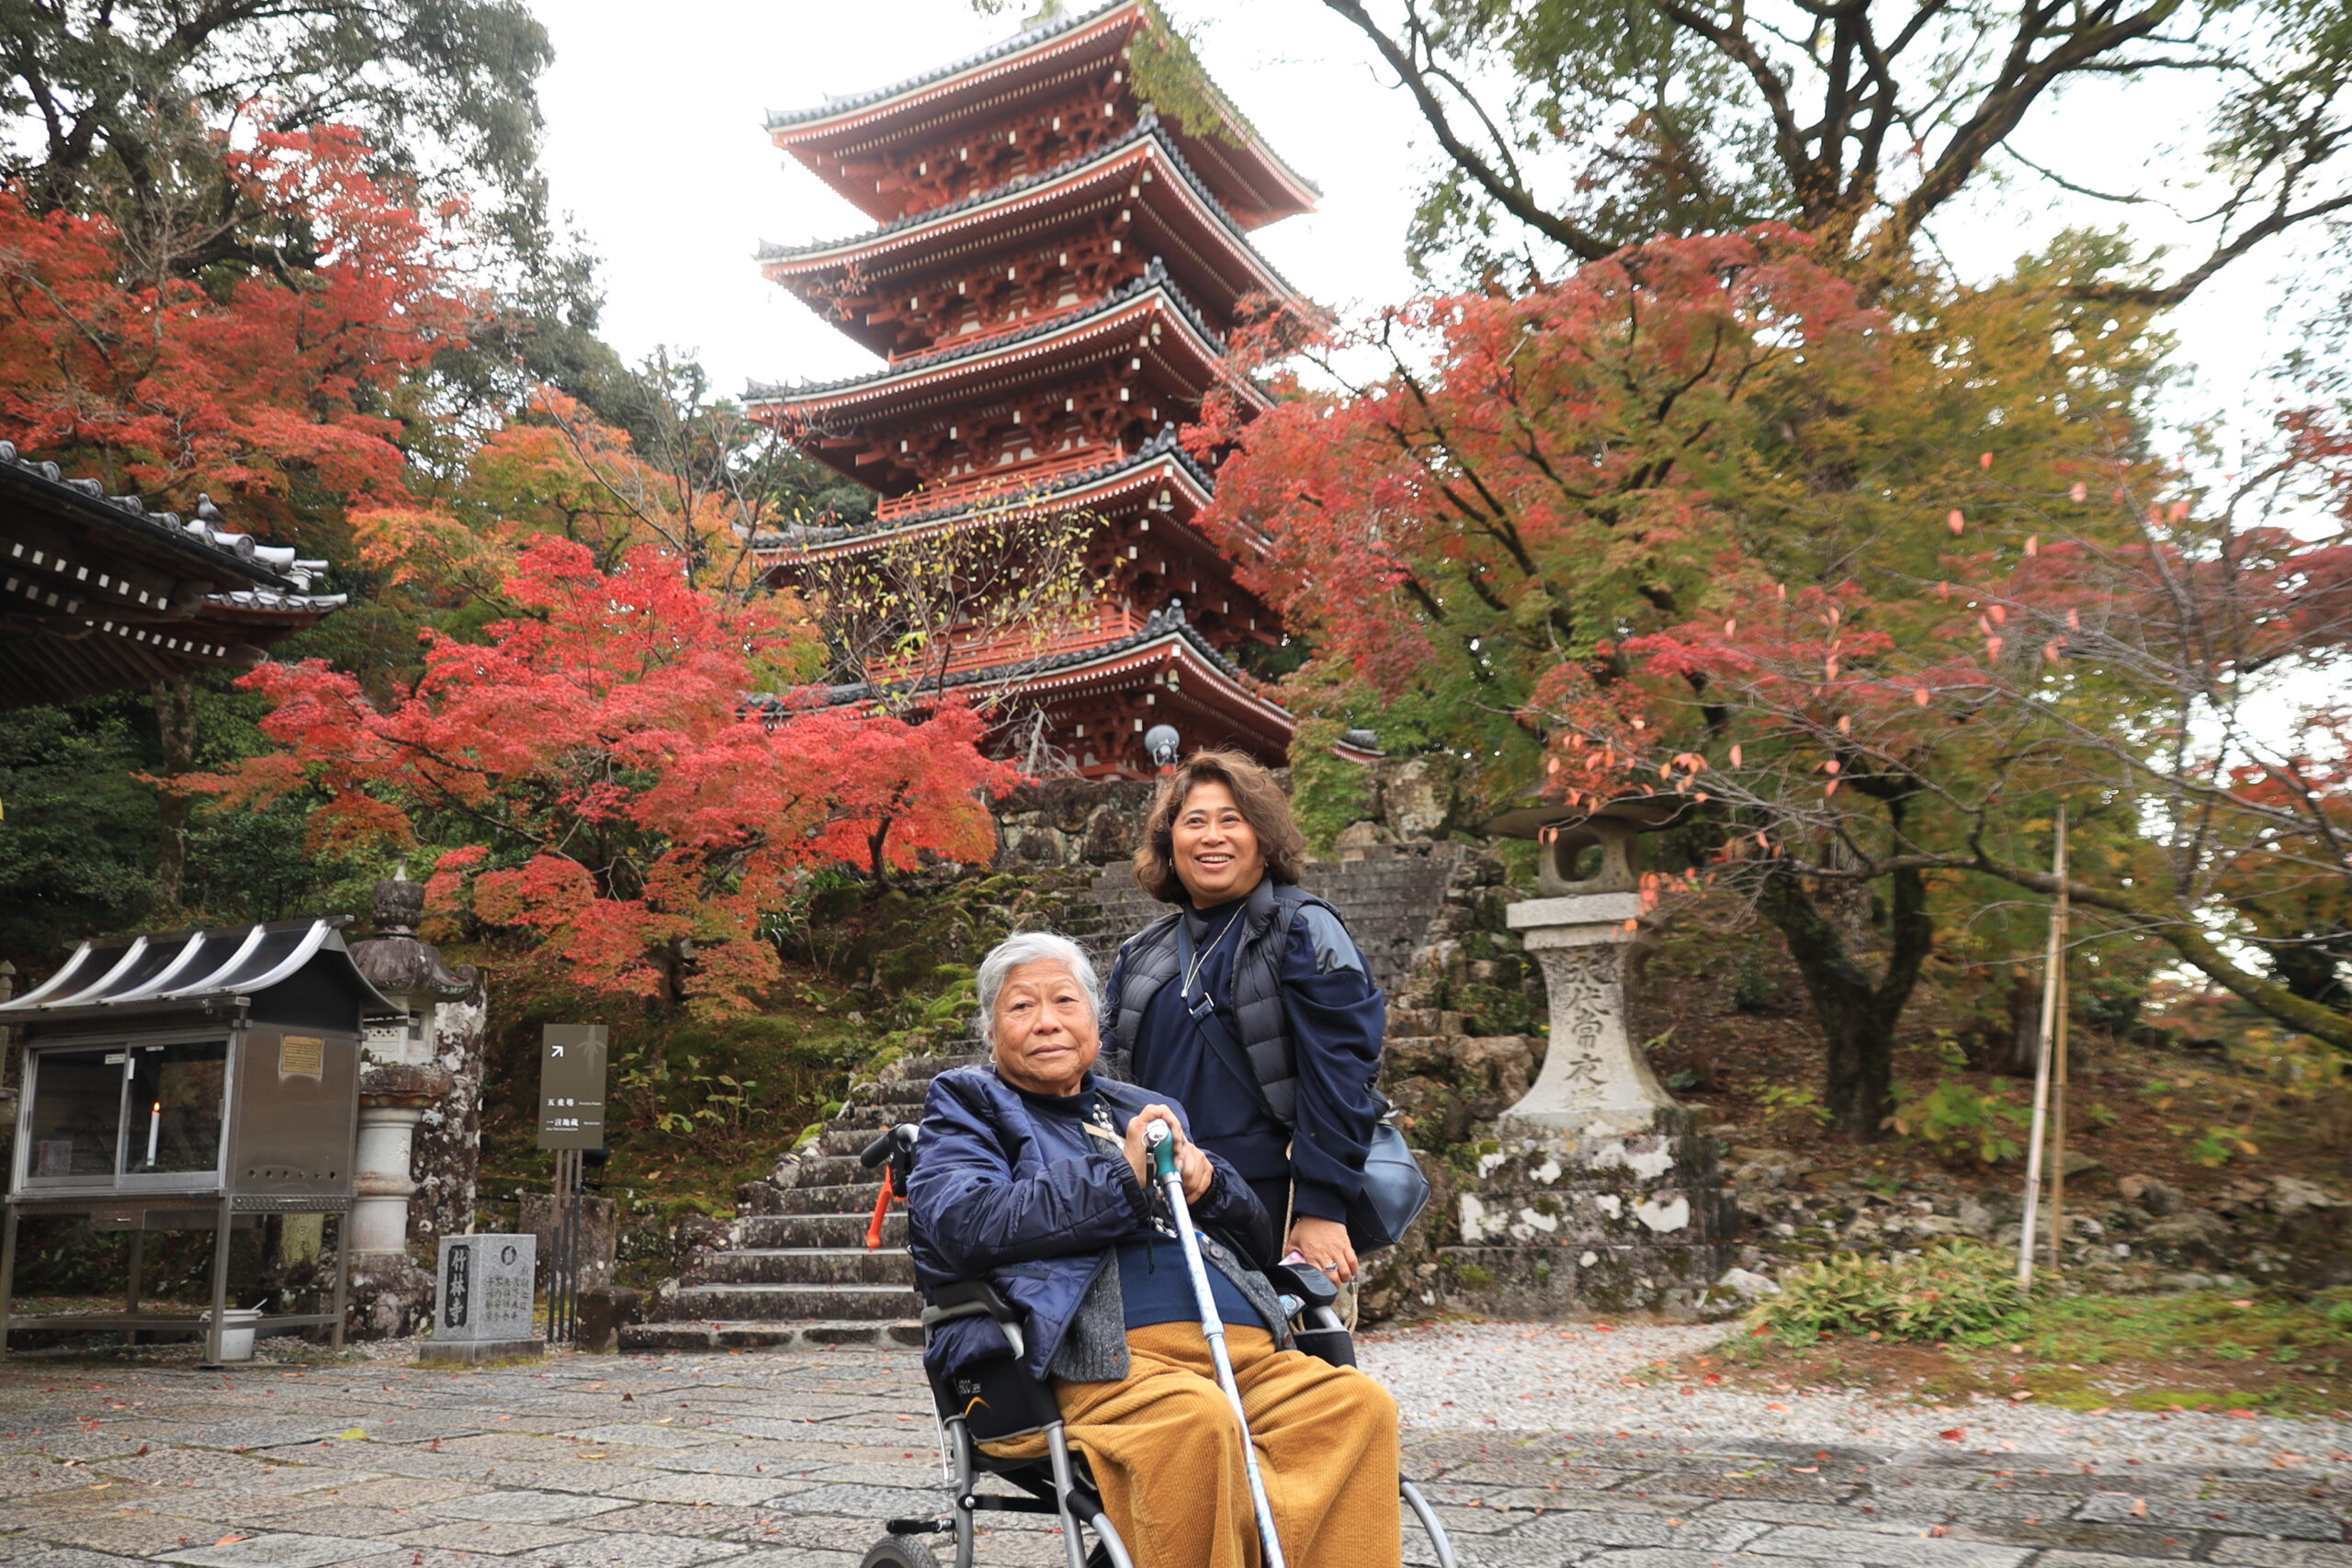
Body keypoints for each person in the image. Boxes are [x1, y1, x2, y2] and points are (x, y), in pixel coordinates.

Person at [907, 931, 1401, 1568]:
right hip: (1102, 1358)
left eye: (1065, 999)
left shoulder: (1143, 1106)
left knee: (1355, 1405)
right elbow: (959, 1222)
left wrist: (1212, 1183)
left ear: (1096, 1019)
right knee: (1195, 1423)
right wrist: (1121, 1177)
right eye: (1021, 1006)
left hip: (1236, 1348)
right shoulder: (969, 1103)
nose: (1048, 1020)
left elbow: (1253, 1239)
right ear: (990, 1028)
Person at [1105, 750, 1385, 1283]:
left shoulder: (1302, 929)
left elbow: (1342, 1074)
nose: (1213, 836)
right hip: (1161, 1199)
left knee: (1280, 1362)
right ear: (1171, 845)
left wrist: (1322, 1208)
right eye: (1195, 822)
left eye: (1231, 819)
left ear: (1263, 838)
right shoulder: (1140, 954)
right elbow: (1110, 1081)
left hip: (1272, 1203)